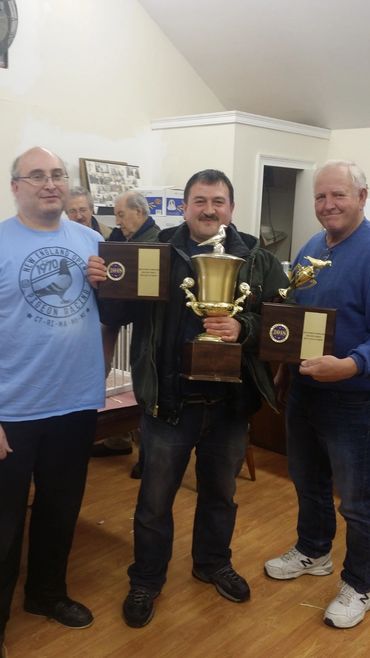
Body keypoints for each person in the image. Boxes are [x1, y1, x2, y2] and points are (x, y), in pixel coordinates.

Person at [87, 168, 288, 628]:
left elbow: (283, 321)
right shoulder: (158, 252)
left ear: (231, 208)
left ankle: (212, 563)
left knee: (221, 495)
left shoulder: (256, 257)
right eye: (200, 200)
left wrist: (244, 327)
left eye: (218, 201)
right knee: (155, 502)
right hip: (168, 403)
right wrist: (103, 281)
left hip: (231, 407)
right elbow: (118, 311)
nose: (209, 209)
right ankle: (147, 578)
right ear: (185, 207)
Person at [0, 147, 105, 657]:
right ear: (15, 186)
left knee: (60, 512)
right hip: (12, 412)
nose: (50, 183)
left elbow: (118, 315)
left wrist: (113, 289)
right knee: (3, 524)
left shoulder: (91, 241)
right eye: (37, 175)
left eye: (57, 174)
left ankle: (46, 594)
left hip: (76, 405)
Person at [265, 160, 370, 629]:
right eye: (320, 197)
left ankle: (362, 583)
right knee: (307, 483)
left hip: (355, 398)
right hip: (305, 391)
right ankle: (314, 551)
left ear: (362, 197)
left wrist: (349, 365)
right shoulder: (310, 248)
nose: (327, 205)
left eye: (338, 195)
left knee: (357, 501)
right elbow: (296, 316)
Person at [91, 190, 160, 464]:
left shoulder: (152, 244)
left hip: (151, 331)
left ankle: (148, 460)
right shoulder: (128, 239)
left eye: (121, 215)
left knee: (148, 391)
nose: (118, 221)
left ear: (139, 213)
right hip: (131, 324)